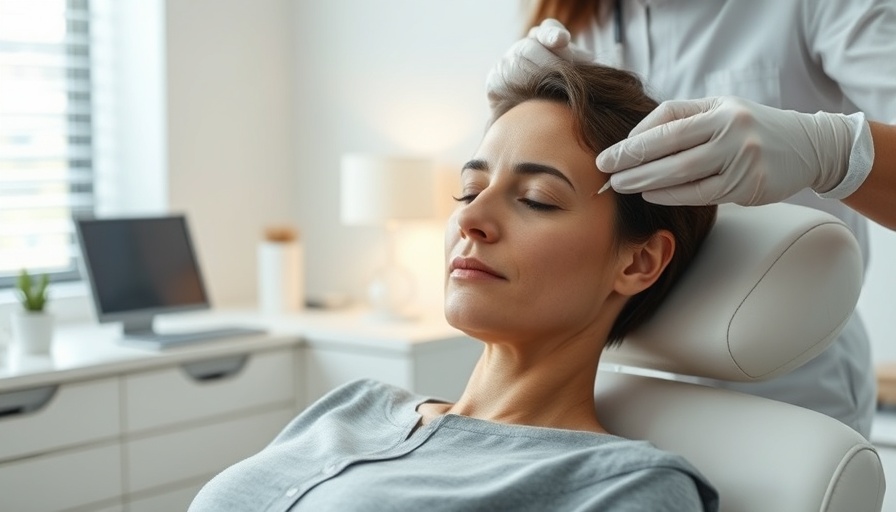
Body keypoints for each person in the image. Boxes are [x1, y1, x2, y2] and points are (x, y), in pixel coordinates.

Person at [189, 61, 719, 511]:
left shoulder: (624, 487)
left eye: (536, 198)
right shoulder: (354, 406)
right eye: (468, 192)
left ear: (639, 261)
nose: (473, 219)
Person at [486, 0, 896, 438]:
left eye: (538, 200)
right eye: (468, 191)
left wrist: (831, 152)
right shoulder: (578, 20)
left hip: (785, 381)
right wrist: (509, 119)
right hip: (621, 372)